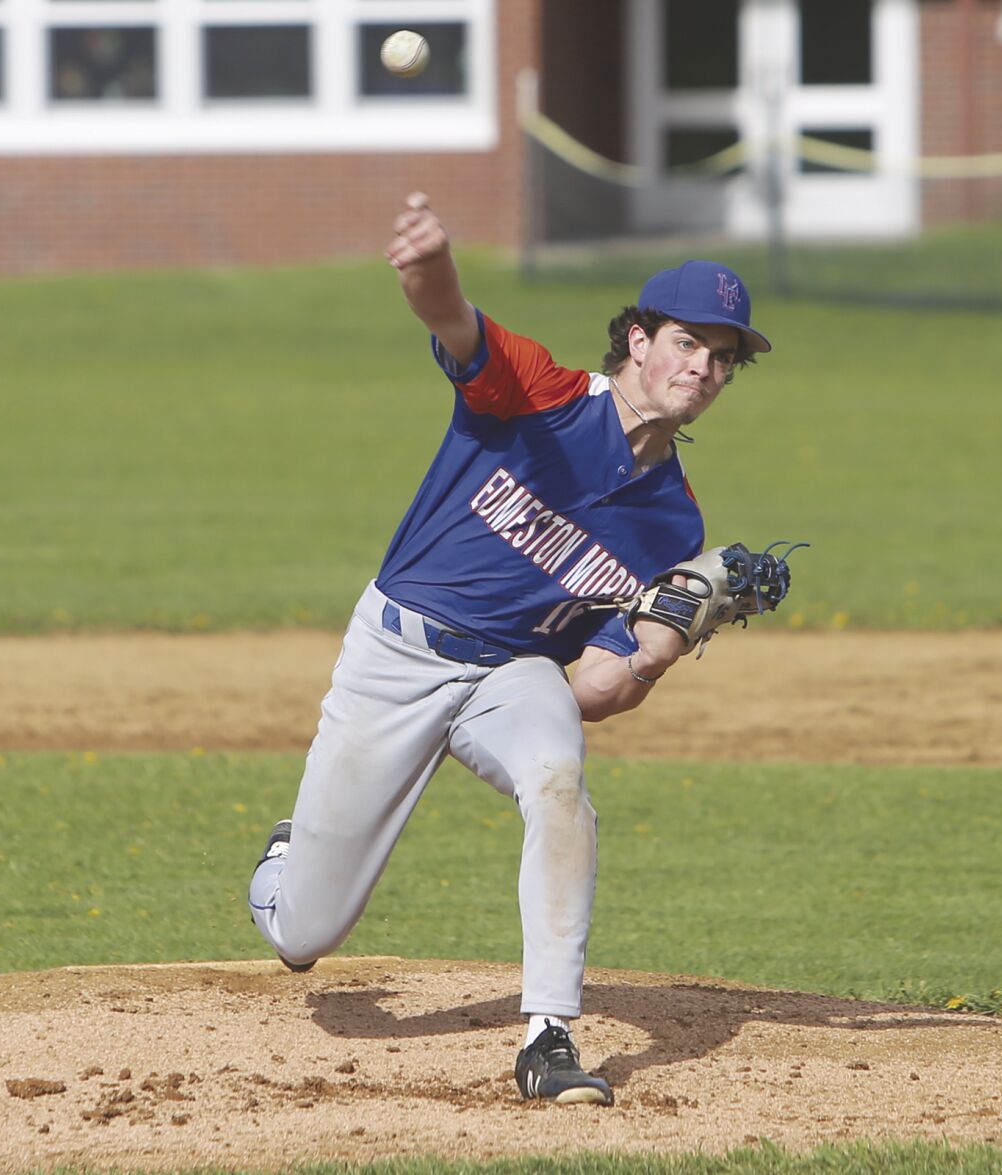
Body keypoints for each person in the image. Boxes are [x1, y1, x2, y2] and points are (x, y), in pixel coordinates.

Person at [248, 192, 771, 1106]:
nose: (705, 367)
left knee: (560, 779)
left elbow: (596, 685)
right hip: (397, 656)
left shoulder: (672, 520)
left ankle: (548, 1035)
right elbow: (451, 320)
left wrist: (668, 639)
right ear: (638, 341)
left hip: (510, 673)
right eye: (689, 342)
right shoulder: (539, 393)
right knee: (304, 934)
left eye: (723, 357)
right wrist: (428, 264)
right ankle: (291, 858)